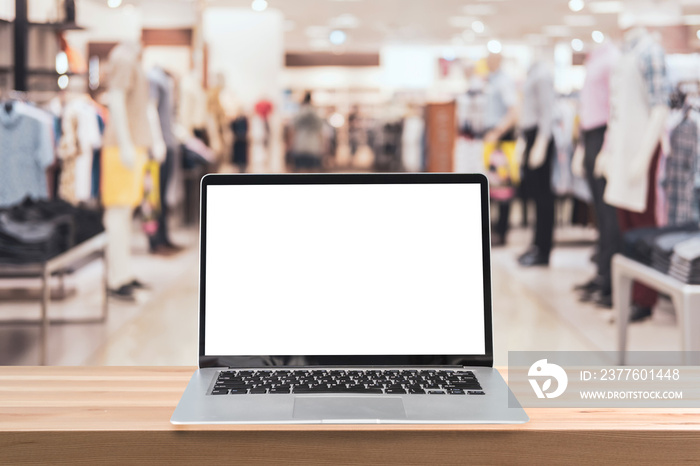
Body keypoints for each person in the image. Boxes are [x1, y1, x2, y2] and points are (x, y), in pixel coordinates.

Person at [482, 53, 519, 246]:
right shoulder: (491, 80)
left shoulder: (503, 81)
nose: (488, 62)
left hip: (501, 141)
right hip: (493, 140)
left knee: (502, 189)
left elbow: (513, 112)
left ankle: (502, 233)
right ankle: (493, 231)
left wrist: (497, 132)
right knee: (492, 188)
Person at [290, 92, 324, 172]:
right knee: (313, 171)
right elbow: (320, 130)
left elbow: (292, 129)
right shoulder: (315, 113)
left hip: (300, 144)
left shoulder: (299, 113)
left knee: (301, 171)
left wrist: (291, 144)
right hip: (313, 145)